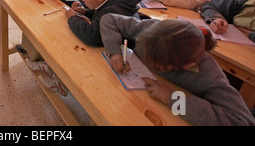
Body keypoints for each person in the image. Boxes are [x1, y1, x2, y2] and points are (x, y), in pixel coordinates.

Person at [99, 13, 255, 126]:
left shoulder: (207, 73)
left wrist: (172, 98)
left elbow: (241, 121)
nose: (151, 64)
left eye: (160, 66)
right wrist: (115, 53)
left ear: (188, 65)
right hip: (127, 94)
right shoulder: (155, 29)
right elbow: (109, 19)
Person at [64, 0, 141, 47]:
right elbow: (100, 16)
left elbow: (92, 36)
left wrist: (72, 18)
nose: (82, 0)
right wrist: (85, 12)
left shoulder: (114, 10)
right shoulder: (113, 0)